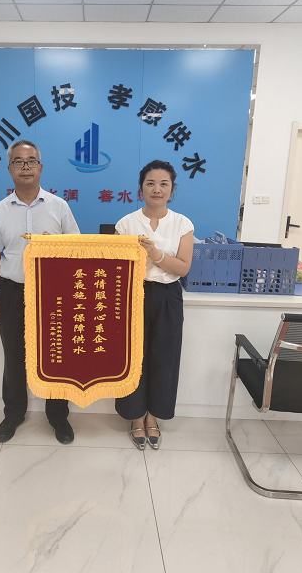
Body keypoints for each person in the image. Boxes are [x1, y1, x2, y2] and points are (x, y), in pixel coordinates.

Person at [0, 139, 80, 444]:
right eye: (18, 162)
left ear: (40, 167)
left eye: (31, 161)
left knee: (56, 356)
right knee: (14, 357)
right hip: (12, 293)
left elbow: (76, 250)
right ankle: (13, 414)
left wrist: (56, 244)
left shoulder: (59, 206)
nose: (25, 167)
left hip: (54, 295)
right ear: (9, 169)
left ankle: (58, 417)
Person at [115, 160, 194, 449]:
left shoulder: (183, 224)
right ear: (141, 189)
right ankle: (135, 416)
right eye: (150, 183)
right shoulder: (125, 223)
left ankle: (152, 417)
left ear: (172, 189)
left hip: (168, 296)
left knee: (164, 358)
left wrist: (155, 254)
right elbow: (115, 265)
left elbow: (183, 268)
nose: (156, 189)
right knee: (133, 358)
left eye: (163, 184)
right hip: (132, 296)